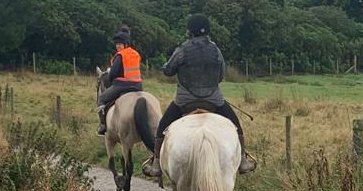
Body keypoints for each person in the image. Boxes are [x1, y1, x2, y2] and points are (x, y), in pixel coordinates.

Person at [142, 13, 256, 182]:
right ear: (207, 30)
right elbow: (221, 75)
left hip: (185, 101)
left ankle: (157, 162)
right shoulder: (215, 50)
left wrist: (166, 65)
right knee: (236, 126)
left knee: (162, 126)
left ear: (190, 31)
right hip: (214, 100)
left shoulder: (182, 50)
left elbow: (168, 71)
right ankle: (243, 160)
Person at [97, 26, 144, 134]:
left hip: (122, 85)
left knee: (102, 99)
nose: (118, 46)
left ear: (125, 44)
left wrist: (110, 77)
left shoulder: (120, 55)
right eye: (117, 44)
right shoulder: (136, 54)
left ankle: (103, 125)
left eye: (120, 44)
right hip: (138, 86)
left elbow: (113, 73)